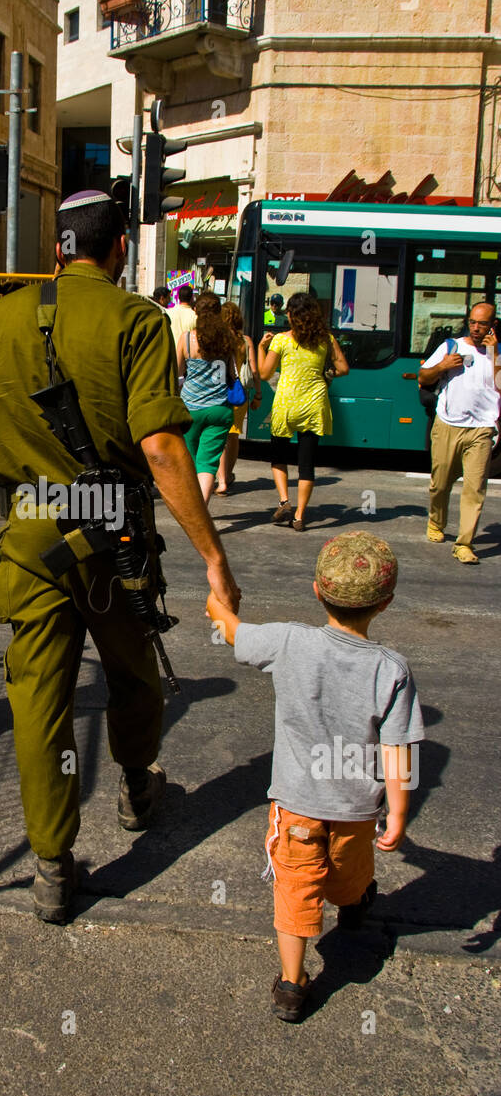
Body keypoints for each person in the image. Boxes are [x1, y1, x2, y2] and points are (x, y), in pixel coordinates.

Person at [0, 190, 240, 925]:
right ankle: (135, 788)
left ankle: (50, 865)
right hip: (115, 537)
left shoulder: (4, 314)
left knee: (38, 701)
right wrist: (213, 559)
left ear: (57, 250)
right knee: (132, 673)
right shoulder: (136, 319)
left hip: (29, 534)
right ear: (119, 248)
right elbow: (160, 444)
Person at [206, 531, 423, 1022]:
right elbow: (397, 749)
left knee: (295, 889)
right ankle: (353, 905)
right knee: (351, 873)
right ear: (385, 603)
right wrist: (400, 812)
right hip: (357, 810)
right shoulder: (392, 670)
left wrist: (215, 589)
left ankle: (291, 983)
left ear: (316, 590)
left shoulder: (289, 641)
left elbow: (231, 629)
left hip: (296, 808)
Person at [418, 301, 500, 564]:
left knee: (475, 488)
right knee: (440, 483)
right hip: (448, 423)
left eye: (483, 323)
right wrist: (442, 366)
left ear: (492, 325)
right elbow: (423, 377)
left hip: (482, 429)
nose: (476, 328)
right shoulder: (450, 346)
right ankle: (436, 522)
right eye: (473, 322)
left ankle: (464, 544)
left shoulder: (497, 352)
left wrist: (493, 354)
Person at [258, 292, 349, 531]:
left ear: (290, 315)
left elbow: (265, 373)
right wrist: (326, 373)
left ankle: (284, 501)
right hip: (314, 404)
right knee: (306, 464)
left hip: (287, 404)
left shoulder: (280, 340)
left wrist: (261, 348)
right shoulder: (326, 340)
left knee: (279, 456)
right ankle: (299, 516)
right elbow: (343, 368)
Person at [175, 294, 241, 507]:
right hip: (219, 409)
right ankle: (201, 508)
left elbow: (176, 373)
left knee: (191, 460)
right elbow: (232, 373)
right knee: (208, 463)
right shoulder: (227, 339)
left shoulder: (186, 339)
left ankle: (192, 507)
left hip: (190, 410)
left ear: (196, 311)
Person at [215, 299, 262, 495]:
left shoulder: (218, 339)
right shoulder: (246, 341)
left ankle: (222, 480)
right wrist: (258, 394)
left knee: (220, 437)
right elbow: (254, 369)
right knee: (234, 436)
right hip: (240, 392)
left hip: (220, 390)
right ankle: (230, 473)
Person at [169, 283, 197, 348]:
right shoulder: (195, 316)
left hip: (171, 351)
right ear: (192, 298)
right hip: (187, 354)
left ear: (178, 297)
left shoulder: (168, 313)